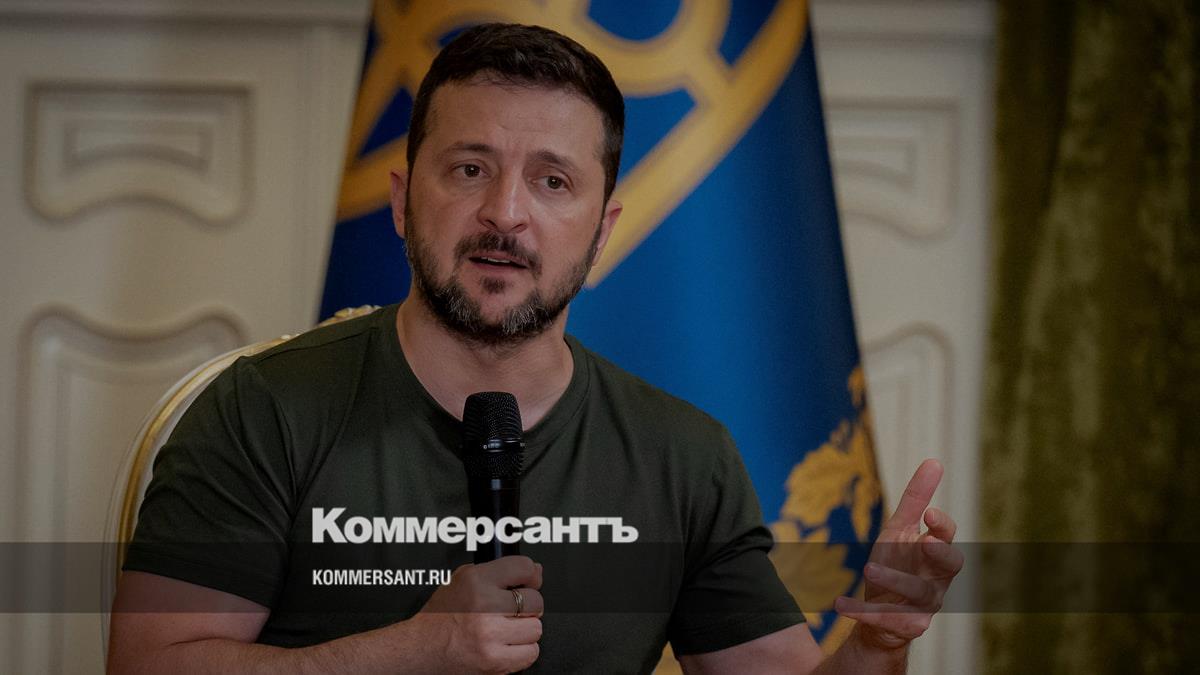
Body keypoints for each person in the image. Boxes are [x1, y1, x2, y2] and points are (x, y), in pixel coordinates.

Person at [108, 23, 963, 674]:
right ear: (402, 201)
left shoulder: (682, 455)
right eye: (469, 169)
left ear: (602, 232)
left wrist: (876, 644)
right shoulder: (261, 409)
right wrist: (414, 649)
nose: (506, 214)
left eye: (552, 181)